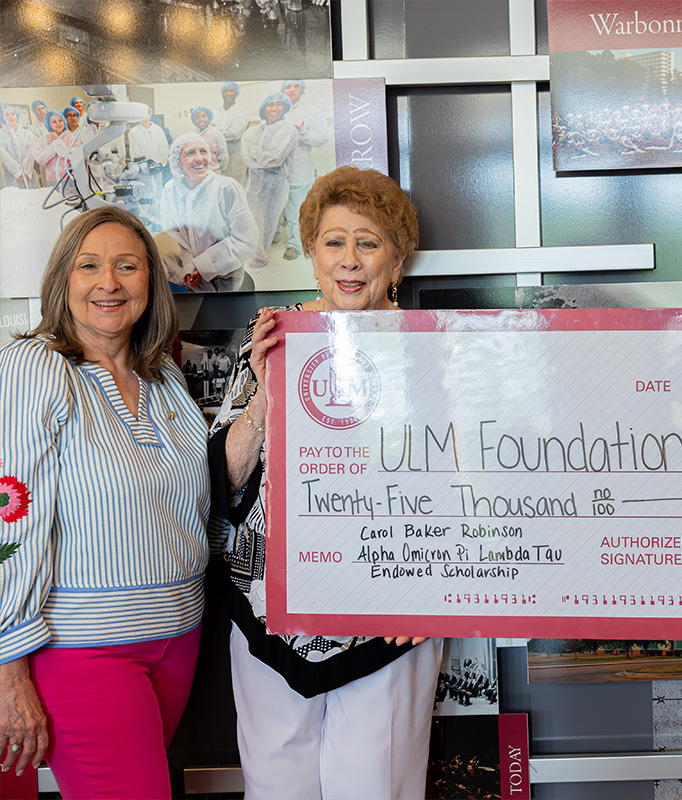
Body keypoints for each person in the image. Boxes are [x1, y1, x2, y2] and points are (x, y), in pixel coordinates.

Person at [208, 166, 442, 799]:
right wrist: (264, 397)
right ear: (312, 255)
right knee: (275, 788)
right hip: (270, 613)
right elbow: (226, 483)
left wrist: (441, 588)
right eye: (333, 241)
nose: (350, 260)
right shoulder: (272, 338)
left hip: (393, 613)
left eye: (368, 242)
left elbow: (470, 488)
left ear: (397, 260)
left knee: (374, 788)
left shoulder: (437, 349)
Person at [0, 206, 210, 796]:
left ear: (150, 282)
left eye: (128, 266)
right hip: (84, 653)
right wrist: (6, 662)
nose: (109, 283)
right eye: (89, 266)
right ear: (63, 279)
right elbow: (8, 514)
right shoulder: (34, 367)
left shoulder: (164, 378)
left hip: (179, 637)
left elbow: (201, 507)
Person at [156, 133, 261, 293]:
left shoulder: (226, 188)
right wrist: (189, 262)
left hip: (225, 279)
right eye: (190, 153)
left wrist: (202, 265)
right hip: (186, 274)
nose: (199, 158)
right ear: (177, 161)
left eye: (203, 151)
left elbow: (246, 241)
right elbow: (174, 234)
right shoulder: (171, 190)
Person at [241, 91, 298, 274]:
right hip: (253, 183)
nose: (273, 108)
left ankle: (259, 258)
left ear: (284, 108)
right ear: (264, 108)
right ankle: (248, 254)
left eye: (278, 104)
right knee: (250, 220)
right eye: (270, 105)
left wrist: (255, 152)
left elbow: (275, 159)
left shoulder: (288, 130)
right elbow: (246, 158)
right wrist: (260, 157)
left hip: (275, 184)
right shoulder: (254, 130)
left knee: (267, 222)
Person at [280, 79, 331, 261]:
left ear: (302, 90)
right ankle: (278, 236)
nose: (292, 90)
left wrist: (302, 133)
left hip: (300, 161)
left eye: (296, 86)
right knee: (279, 204)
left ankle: (296, 244)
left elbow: (323, 138)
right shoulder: (277, 109)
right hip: (276, 163)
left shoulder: (311, 111)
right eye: (288, 86)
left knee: (298, 204)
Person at [214, 82, 250, 182]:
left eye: (231, 91)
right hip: (218, 154)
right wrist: (225, 129)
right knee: (218, 182)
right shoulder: (216, 112)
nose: (228, 93)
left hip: (235, 155)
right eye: (226, 91)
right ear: (222, 93)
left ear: (236, 93)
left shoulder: (241, 111)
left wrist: (217, 131)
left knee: (235, 182)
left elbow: (235, 134)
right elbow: (209, 130)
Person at [34, 111, 81, 187]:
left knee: (71, 198)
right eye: (54, 122)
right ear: (49, 124)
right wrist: (52, 147)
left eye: (60, 121)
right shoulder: (44, 139)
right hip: (51, 180)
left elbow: (74, 155)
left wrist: (58, 143)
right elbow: (39, 159)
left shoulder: (72, 138)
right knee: (55, 198)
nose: (58, 124)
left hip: (69, 178)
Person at [0, 105, 37, 188]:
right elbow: (5, 157)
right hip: (11, 177)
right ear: (2, 117)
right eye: (6, 114)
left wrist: (26, 173)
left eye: (13, 114)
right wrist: (19, 174)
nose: (10, 117)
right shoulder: (1, 135)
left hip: (29, 176)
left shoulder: (28, 134)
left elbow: (30, 155)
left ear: (17, 115)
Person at [191, 106, 228, 175]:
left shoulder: (216, 133)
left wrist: (221, 169)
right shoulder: (193, 135)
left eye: (204, 116)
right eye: (198, 117)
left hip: (214, 172)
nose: (201, 119)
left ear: (209, 118)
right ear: (194, 120)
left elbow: (223, 155)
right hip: (199, 172)